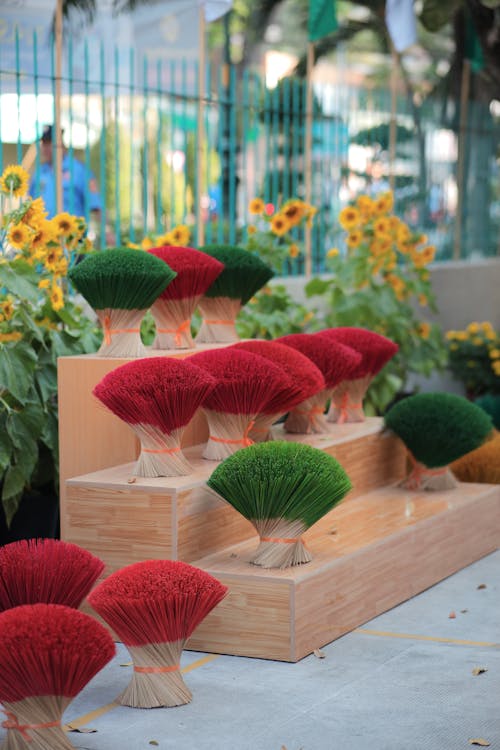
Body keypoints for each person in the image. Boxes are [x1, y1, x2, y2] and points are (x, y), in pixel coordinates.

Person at [29, 125, 102, 219]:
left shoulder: (79, 170)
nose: (45, 148)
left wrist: (107, 230)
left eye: (49, 143)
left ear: (61, 145)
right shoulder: (39, 173)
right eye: (44, 144)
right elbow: (31, 204)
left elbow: (95, 204)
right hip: (44, 232)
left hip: (72, 232)